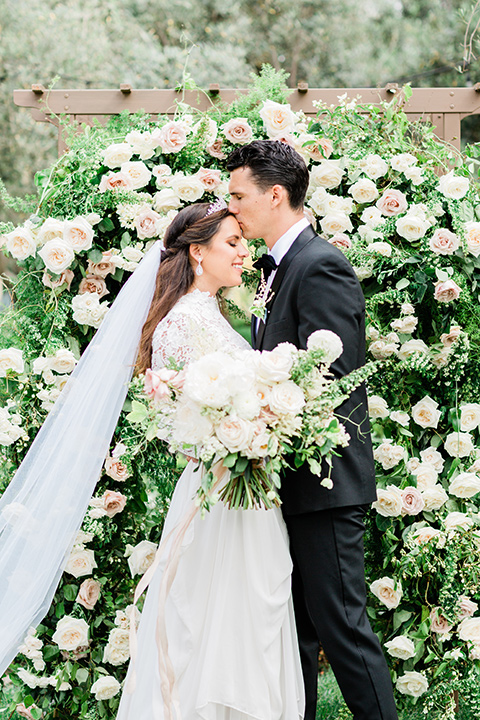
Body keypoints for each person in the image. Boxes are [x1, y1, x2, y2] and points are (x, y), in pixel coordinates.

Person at [227, 140, 398, 720]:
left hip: (325, 486)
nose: (233, 208)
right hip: (290, 483)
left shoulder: (318, 263)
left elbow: (331, 379)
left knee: (343, 629)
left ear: (275, 195)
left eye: (239, 195)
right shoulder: (277, 269)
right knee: (294, 633)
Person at [115, 202, 305, 719]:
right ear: (198, 252)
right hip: (219, 496)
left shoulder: (212, 315)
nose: (245, 252)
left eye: (243, 242)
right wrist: (238, 435)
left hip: (245, 491)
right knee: (214, 625)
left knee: (249, 618)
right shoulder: (182, 323)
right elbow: (182, 427)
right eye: (232, 243)